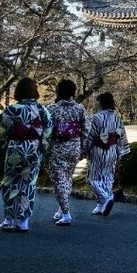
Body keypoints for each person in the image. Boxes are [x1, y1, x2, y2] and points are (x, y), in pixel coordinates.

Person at [0, 77, 53, 233]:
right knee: (28, 183)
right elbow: (48, 128)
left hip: (16, 148)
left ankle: (8, 219)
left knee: (10, 181)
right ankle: (23, 220)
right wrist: (43, 144)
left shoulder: (13, 109)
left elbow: (4, 127)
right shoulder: (41, 109)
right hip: (33, 149)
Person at [46, 79, 88, 226]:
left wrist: (44, 149)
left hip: (58, 147)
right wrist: (84, 149)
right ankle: (60, 209)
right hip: (75, 146)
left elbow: (47, 132)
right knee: (68, 177)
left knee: (58, 180)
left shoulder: (52, 109)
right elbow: (86, 130)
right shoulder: (80, 108)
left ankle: (66, 213)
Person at [83, 92, 129, 217]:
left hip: (99, 149)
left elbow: (90, 136)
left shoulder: (96, 117)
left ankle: (106, 198)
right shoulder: (117, 117)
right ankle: (101, 205)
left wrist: (84, 149)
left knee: (93, 178)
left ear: (101, 103)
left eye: (98, 101)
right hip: (113, 149)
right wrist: (121, 151)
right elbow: (122, 136)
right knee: (107, 178)